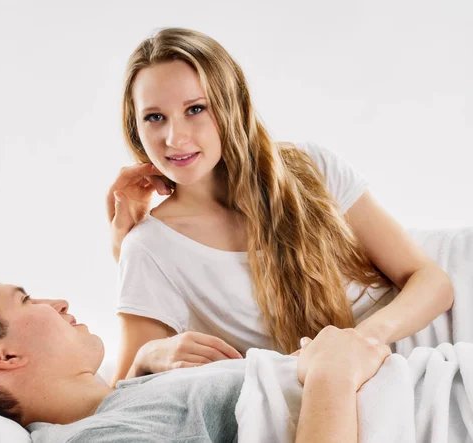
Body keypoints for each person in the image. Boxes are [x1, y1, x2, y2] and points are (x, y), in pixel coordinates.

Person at [107, 27, 454, 384]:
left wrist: (362, 339)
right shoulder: (149, 248)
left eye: (195, 109)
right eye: (154, 117)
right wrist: (148, 354)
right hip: (355, 388)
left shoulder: (310, 166)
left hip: (436, 340)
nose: (174, 138)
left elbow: (432, 282)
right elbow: (123, 399)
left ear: (233, 108)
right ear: (135, 127)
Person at [0, 270, 391, 442]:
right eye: (26, 299)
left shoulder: (112, 409)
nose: (56, 302)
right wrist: (331, 376)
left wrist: (143, 366)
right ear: (4, 355)